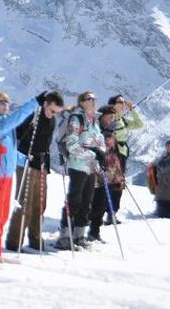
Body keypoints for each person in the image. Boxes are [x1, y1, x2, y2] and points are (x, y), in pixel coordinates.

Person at [0, 92, 41, 262]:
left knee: (3, 215)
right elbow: (17, 117)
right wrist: (34, 103)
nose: (5, 105)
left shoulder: (6, 126)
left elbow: (10, 151)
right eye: (1, 102)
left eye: (7, 102)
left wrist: (24, 159)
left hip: (7, 176)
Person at [5, 91, 65, 252]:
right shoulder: (32, 116)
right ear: (45, 103)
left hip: (42, 164)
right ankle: (14, 242)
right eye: (53, 111)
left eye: (57, 113)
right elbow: (15, 133)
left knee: (39, 204)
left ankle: (36, 240)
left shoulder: (51, 120)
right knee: (25, 203)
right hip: (26, 162)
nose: (54, 115)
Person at [56, 91, 106, 249]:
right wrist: (92, 153)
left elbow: (100, 142)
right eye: (89, 99)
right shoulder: (76, 119)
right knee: (74, 200)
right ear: (82, 102)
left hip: (91, 167)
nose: (93, 101)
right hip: (77, 165)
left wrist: (100, 155)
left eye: (94, 99)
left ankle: (79, 235)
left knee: (87, 201)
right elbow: (71, 144)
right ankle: (64, 235)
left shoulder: (94, 121)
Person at [88, 106, 125, 241]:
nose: (112, 119)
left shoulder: (111, 131)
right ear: (103, 116)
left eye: (113, 116)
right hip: (95, 168)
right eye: (110, 116)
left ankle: (95, 231)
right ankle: (81, 229)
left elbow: (114, 153)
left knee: (102, 202)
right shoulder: (96, 129)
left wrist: (118, 175)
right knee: (94, 200)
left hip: (108, 169)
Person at [106, 94, 145, 175]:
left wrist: (131, 109)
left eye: (124, 102)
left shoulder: (122, 120)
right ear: (112, 105)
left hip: (122, 154)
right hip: (112, 155)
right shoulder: (107, 118)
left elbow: (139, 124)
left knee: (119, 181)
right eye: (120, 102)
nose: (123, 104)